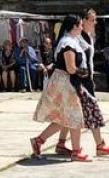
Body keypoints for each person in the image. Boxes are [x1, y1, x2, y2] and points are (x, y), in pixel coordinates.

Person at [56, 8, 109, 157]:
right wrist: (83, 77)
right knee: (86, 112)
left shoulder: (88, 36)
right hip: (79, 80)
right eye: (92, 20)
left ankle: (60, 143)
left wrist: (91, 78)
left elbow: (87, 60)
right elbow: (74, 60)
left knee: (74, 113)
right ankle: (98, 145)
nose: (95, 22)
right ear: (83, 21)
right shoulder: (76, 38)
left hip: (86, 79)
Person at [29, 16, 89, 161]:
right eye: (80, 25)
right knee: (74, 116)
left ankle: (39, 140)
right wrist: (83, 72)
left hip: (65, 82)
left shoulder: (70, 41)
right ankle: (76, 152)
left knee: (63, 117)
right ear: (74, 26)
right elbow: (71, 68)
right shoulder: (68, 43)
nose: (82, 27)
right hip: (66, 83)